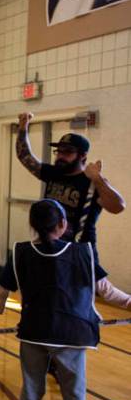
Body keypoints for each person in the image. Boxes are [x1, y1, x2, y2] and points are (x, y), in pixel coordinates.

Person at [0, 199, 101, 400]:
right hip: (71, 337)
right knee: (74, 398)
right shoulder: (81, 252)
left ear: (33, 225)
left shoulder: (22, 252)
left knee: (32, 391)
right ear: (62, 225)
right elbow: (104, 289)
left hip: (34, 333)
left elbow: (2, 291)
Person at [16, 112, 129, 308]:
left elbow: (118, 206)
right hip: (51, 244)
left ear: (83, 155)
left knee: (98, 288)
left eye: (67, 152)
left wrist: (98, 179)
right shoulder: (53, 173)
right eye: (58, 151)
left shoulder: (92, 184)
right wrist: (23, 126)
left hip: (78, 247)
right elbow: (25, 157)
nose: (60, 156)